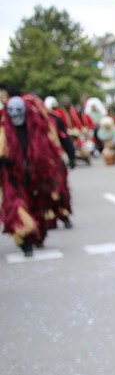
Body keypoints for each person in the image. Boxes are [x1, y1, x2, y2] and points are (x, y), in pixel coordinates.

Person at [1, 94, 72, 256]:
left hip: (36, 176)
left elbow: (58, 143)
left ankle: (38, 234)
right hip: (13, 178)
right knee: (16, 208)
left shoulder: (39, 128)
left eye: (18, 112)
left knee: (39, 205)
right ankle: (24, 240)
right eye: (11, 112)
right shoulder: (4, 131)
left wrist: (67, 158)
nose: (15, 116)